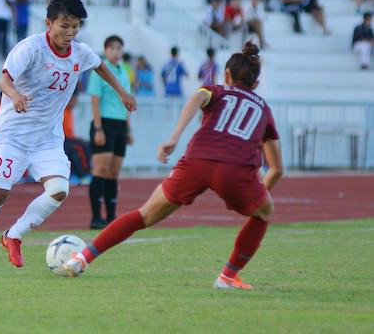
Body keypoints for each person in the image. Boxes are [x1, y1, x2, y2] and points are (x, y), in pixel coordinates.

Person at [65, 42, 284, 292]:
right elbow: (277, 168)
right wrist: (258, 194)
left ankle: (81, 258)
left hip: (197, 160)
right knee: (265, 212)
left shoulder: (217, 90)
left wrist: (174, 137)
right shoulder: (264, 108)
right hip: (236, 170)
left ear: (226, 75)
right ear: (256, 84)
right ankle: (228, 276)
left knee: (144, 215)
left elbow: (198, 96)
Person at [0, 0, 137, 274]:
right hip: (13, 135)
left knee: (59, 190)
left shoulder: (79, 52)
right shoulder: (30, 48)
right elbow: (3, 79)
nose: (69, 33)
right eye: (64, 26)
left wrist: (122, 91)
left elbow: (99, 65)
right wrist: (16, 95)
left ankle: (13, 235)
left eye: (75, 26)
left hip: (47, 138)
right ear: (48, 23)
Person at [87, 35, 133, 229]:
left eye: (119, 49)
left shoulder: (124, 72)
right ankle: (96, 217)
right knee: (101, 170)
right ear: (105, 51)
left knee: (114, 172)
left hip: (120, 125)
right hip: (104, 123)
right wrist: (98, 128)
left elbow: (127, 102)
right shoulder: (99, 71)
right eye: (112, 48)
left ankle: (111, 217)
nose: (116, 52)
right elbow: (95, 101)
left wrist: (129, 129)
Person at [63, 91, 92, 185]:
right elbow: (65, 133)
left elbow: (69, 132)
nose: (76, 102)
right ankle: (82, 174)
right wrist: (77, 138)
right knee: (78, 147)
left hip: (68, 139)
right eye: (75, 99)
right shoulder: (63, 111)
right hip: (62, 140)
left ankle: (84, 173)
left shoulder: (69, 112)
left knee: (85, 144)